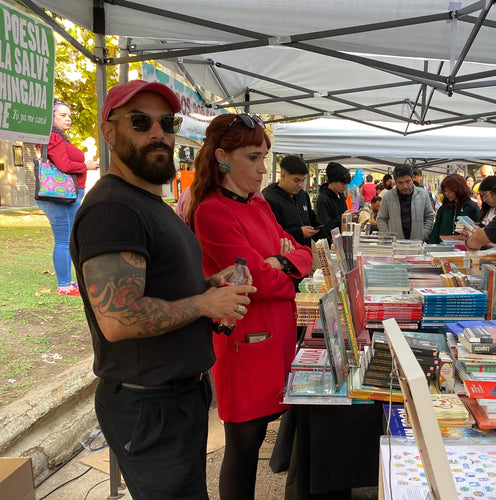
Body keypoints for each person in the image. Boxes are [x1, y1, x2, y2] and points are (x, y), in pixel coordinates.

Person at [70, 80, 256, 499]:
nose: (158, 133)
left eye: (166, 123)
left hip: (173, 398)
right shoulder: (113, 208)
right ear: (109, 131)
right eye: (140, 122)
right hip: (149, 405)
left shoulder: (146, 201)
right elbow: (118, 318)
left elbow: (153, 283)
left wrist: (206, 284)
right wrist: (204, 302)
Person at [187, 113, 313, 500]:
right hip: (244, 343)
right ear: (223, 157)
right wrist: (280, 266)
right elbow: (256, 279)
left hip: (273, 338)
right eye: (254, 158)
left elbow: (303, 255)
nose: (263, 169)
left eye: (264, 158)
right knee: (243, 446)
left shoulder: (257, 206)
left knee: (254, 440)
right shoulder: (212, 211)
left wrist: (283, 264)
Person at [39, 100, 99, 296]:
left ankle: (68, 282)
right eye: (62, 115)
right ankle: (64, 285)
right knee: (64, 240)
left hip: (68, 194)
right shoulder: (53, 137)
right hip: (61, 196)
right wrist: (86, 166)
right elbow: (64, 165)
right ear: (52, 117)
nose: (68, 119)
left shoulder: (61, 138)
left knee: (67, 239)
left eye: (69, 116)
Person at [263, 155, 320, 248]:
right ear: (283, 175)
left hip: (305, 253)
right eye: (296, 180)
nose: (300, 185)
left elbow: (312, 219)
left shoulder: (303, 195)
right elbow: (270, 234)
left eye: (303, 180)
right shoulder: (270, 198)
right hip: (284, 256)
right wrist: (299, 232)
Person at [377, 164, 435, 240]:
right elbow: (381, 219)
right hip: (396, 245)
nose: (405, 186)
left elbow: (429, 216)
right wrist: (388, 236)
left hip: (418, 243)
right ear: (395, 182)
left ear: (413, 179)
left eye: (408, 181)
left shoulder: (423, 194)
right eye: (400, 183)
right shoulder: (388, 197)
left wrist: (423, 234)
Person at [429, 174, 479, 243]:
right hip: (442, 249)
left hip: (464, 250)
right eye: (445, 191)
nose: (446, 193)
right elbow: (435, 231)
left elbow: (478, 232)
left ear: (458, 189)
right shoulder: (443, 209)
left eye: (449, 191)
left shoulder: (472, 208)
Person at [315, 162, 351, 242]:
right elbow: (325, 226)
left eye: (346, 184)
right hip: (330, 241)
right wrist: (343, 217)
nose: (345, 187)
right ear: (332, 181)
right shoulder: (323, 199)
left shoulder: (340, 195)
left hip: (341, 238)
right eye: (342, 184)